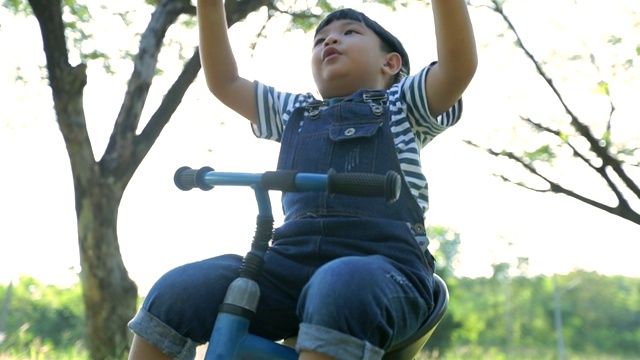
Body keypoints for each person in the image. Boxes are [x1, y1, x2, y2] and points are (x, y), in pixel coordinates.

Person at [128, 0, 477, 359]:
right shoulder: (295, 112)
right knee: (181, 289)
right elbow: (225, 81)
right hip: (285, 267)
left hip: (384, 267)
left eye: (349, 33)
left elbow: (457, 66)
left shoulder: (404, 105)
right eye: (320, 39)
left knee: (339, 285)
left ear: (390, 63)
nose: (330, 41)